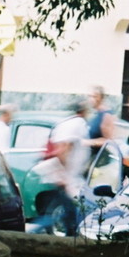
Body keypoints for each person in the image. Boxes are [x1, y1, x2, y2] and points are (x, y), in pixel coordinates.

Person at [35, 99, 90, 236]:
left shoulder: (65, 123)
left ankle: (70, 234)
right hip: (67, 176)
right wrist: (64, 174)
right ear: (83, 111)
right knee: (69, 209)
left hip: (65, 175)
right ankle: (33, 233)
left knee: (66, 209)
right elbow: (64, 148)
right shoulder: (77, 124)